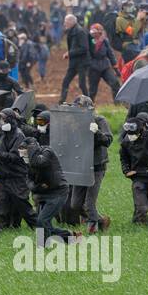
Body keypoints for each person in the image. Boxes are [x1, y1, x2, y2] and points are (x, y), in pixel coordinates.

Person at [62, 95, 112, 233]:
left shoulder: (99, 120)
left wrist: (97, 132)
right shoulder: (74, 124)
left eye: (81, 108)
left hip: (96, 166)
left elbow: (108, 140)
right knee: (75, 204)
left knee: (89, 204)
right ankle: (101, 221)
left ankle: (93, 228)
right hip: (81, 166)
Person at [0, 109, 37, 234]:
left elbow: (15, 157)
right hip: (3, 177)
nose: (0, 122)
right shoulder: (5, 135)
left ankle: (40, 228)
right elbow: (1, 153)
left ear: (10, 120)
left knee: (24, 207)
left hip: (17, 178)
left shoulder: (18, 135)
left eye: (2, 119)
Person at [24, 137, 81, 244]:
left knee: (42, 221)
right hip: (43, 193)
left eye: (25, 149)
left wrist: (31, 148)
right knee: (42, 224)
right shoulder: (28, 162)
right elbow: (29, 182)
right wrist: (38, 187)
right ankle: (46, 244)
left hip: (57, 193)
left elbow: (40, 163)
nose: (23, 153)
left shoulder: (47, 152)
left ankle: (67, 238)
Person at [58, 14, 90, 102]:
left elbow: (85, 48)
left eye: (66, 21)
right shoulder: (71, 31)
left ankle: (89, 102)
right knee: (65, 81)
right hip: (74, 63)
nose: (64, 23)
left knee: (82, 84)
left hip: (82, 63)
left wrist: (70, 53)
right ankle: (61, 102)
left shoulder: (80, 31)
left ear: (72, 22)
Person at [87, 23, 121, 101]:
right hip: (93, 68)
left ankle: (118, 104)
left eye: (97, 31)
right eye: (93, 31)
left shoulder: (104, 41)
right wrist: (90, 65)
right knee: (92, 90)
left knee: (115, 84)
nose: (94, 33)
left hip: (105, 66)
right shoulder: (88, 41)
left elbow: (110, 54)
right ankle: (89, 107)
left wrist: (115, 67)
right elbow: (86, 55)